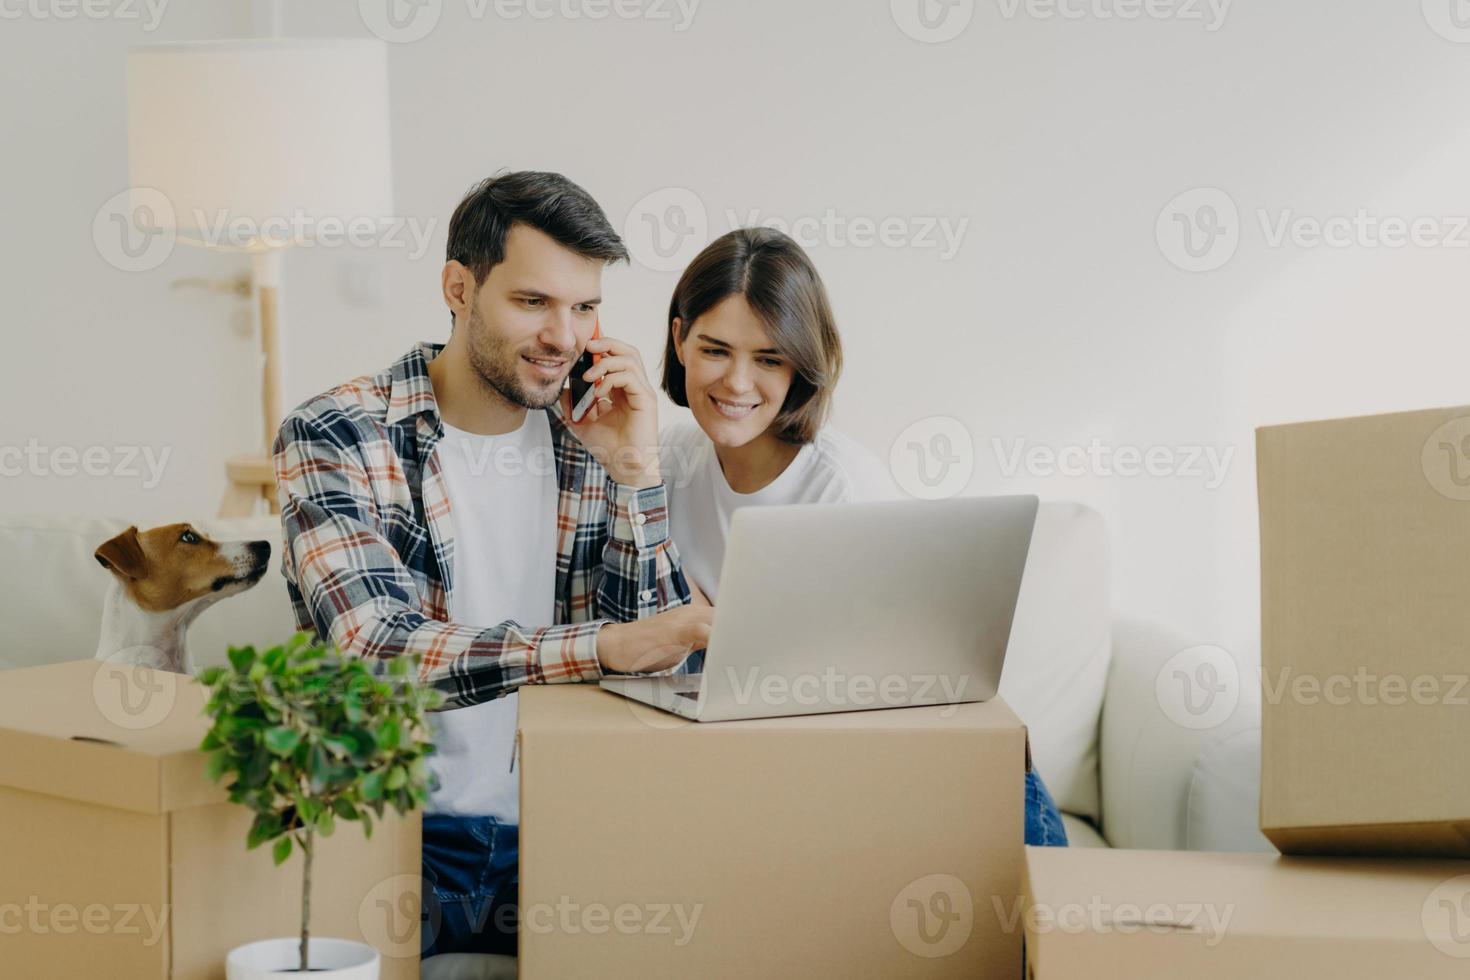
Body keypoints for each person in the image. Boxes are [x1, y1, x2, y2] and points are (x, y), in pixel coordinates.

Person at [273, 171, 712, 959]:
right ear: (458, 288)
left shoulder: (595, 439)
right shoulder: (338, 433)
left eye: (585, 308)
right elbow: (374, 651)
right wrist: (596, 647)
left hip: (568, 833)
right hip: (396, 837)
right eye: (533, 302)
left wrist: (638, 475)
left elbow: (665, 665)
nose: (565, 337)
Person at [657, 226, 1068, 848]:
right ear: (679, 339)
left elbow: (857, 701)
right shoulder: (663, 465)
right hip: (796, 769)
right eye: (716, 349)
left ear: (803, 365)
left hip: (949, 776)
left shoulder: (841, 486)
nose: (738, 383)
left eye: (769, 359)